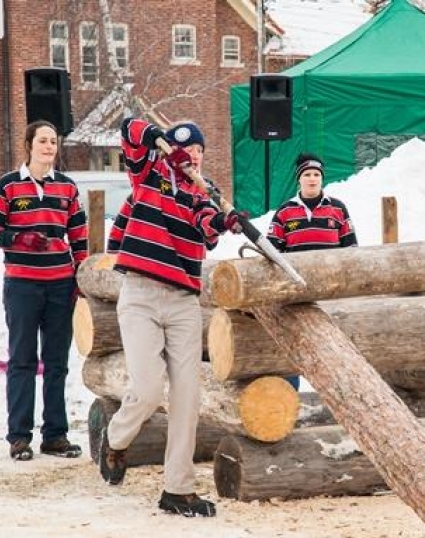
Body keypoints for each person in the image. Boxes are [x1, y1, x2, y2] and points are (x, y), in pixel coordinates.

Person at [99, 118, 243, 517]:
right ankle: (115, 439)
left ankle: (177, 490)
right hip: (141, 295)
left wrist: (226, 220)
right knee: (147, 390)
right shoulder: (149, 175)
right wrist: (155, 142)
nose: (192, 155)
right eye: (185, 149)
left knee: (187, 397)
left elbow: (207, 226)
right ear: (172, 151)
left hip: (183, 301)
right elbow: (129, 129)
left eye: (198, 150)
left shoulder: (202, 194)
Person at [0, 120, 87, 461]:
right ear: (28, 144)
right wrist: (19, 239)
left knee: (57, 362)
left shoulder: (66, 188)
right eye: (42, 140)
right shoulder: (8, 186)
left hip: (60, 284)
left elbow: (78, 234)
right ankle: (19, 437)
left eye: (53, 141)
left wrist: (81, 275)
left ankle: (55, 435)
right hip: (22, 284)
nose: (49, 146)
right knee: (22, 359)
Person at [267, 153, 358, 389]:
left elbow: (352, 251)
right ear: (299, 179)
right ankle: (290, 391)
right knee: (294, 343)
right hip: (297, 293)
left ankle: (341, 391)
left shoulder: (338, 209)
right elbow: (270, 254)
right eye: (307, 174)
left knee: (336, 345)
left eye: (316, 175)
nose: (312, 179)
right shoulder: (285, 212)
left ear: (322, 178)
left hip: (331, 293)